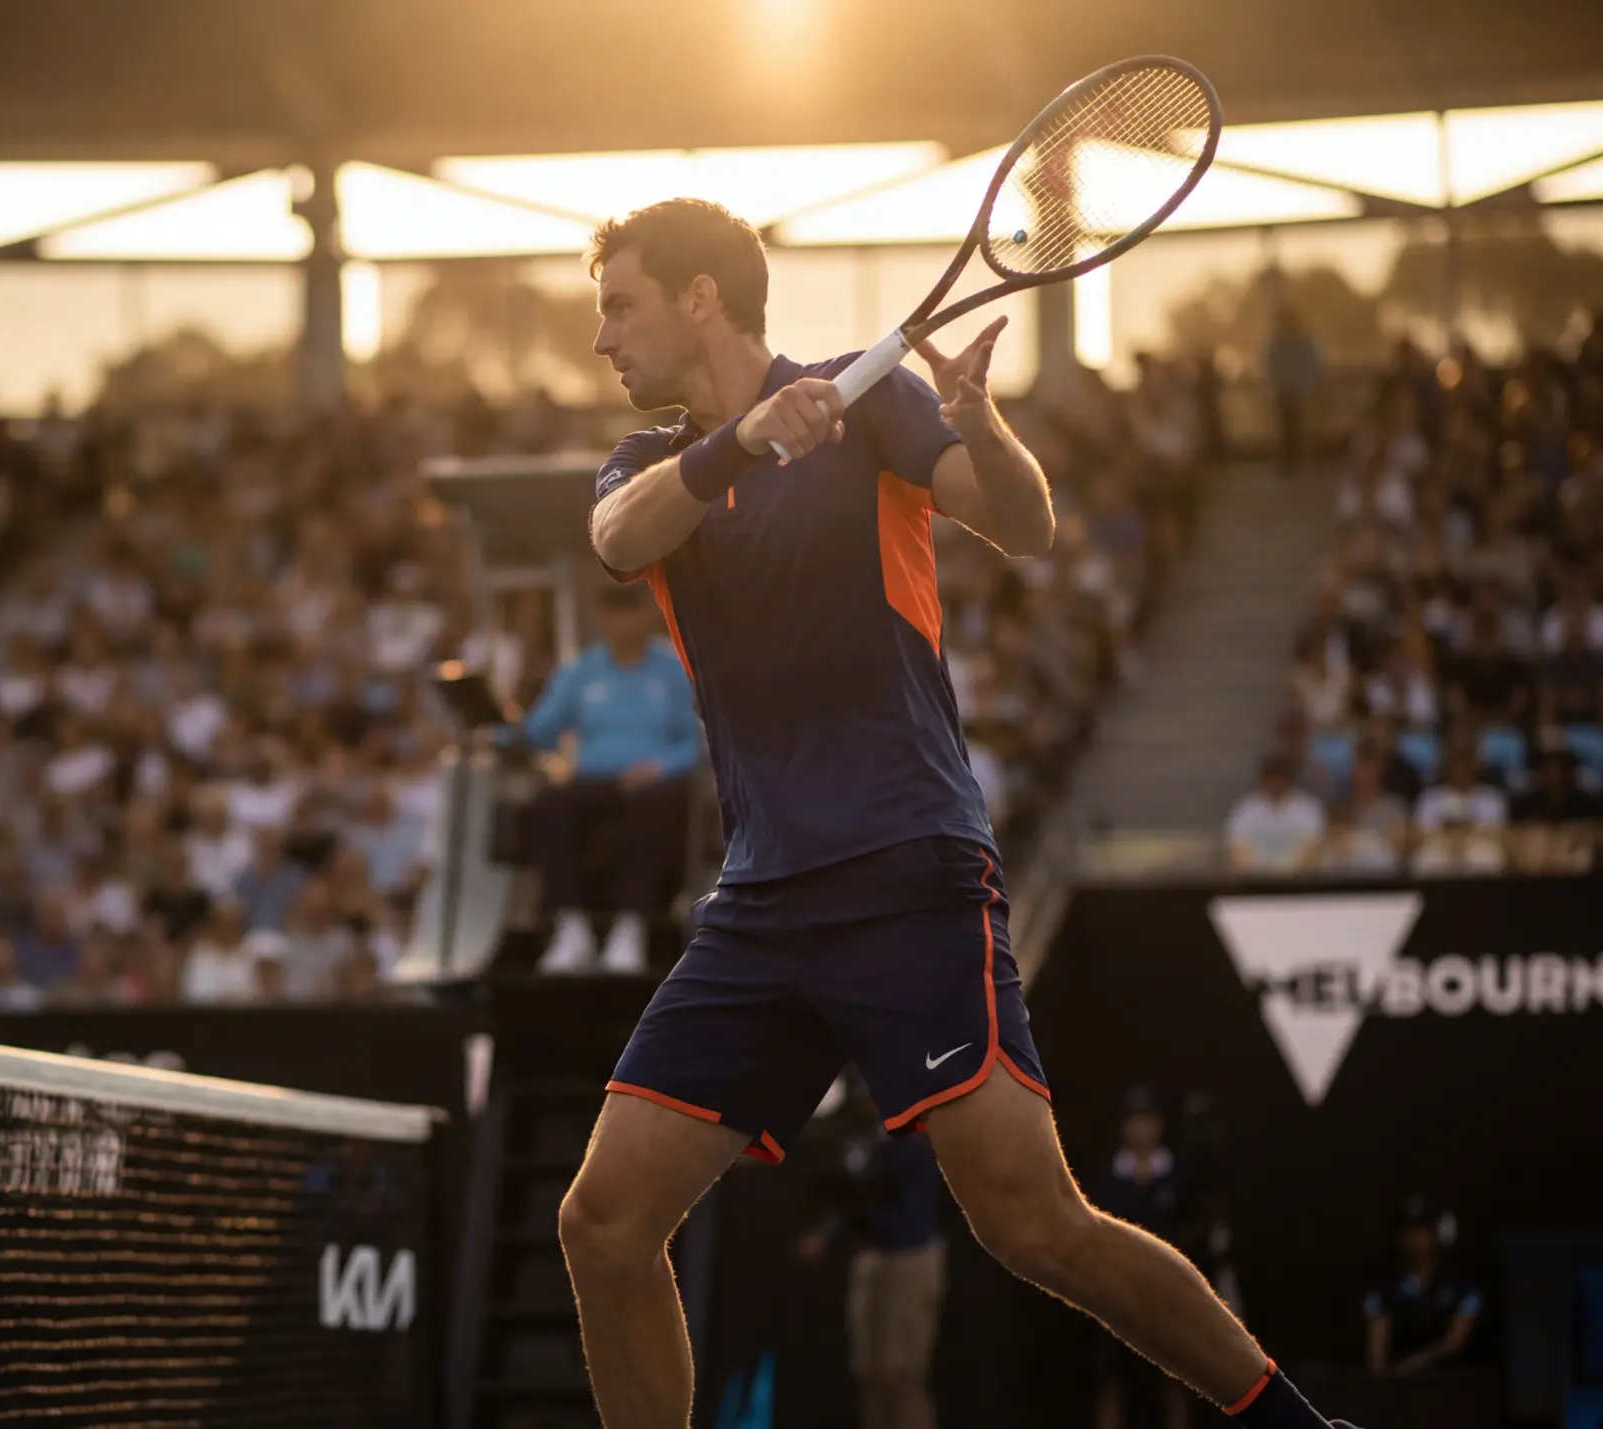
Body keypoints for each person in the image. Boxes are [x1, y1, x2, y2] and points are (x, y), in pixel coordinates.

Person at [556, 198, 1352, 1429]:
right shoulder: (646, 469)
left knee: (1035, 1225)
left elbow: (1020, 521)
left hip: (904, 870)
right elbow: (617, 538)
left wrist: (982, 419)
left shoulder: (865, 401)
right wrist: (744, 440)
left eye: (620, 305)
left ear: (701, 296)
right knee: (601, 1223)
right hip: (762, 904)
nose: (603, 337)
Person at [523, 582, 700, 975]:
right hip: (592, 781)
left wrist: (660, 767)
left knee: (654, 804)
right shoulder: (582, 672)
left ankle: (631, 927)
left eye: (631, 609)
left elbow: (696, 741)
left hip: (652, 782)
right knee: (549, 803)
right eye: (615, 611)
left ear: (647, 614)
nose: (623, 621)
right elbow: (539, 731)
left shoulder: (671, 672)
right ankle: (571, 927)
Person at [797, 1076, 946, 1429]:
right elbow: (856, 1202)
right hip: (874, 1257)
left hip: (909, 1257)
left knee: (902, 1374)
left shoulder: (912, 1144)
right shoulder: (866, 1145)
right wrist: (827, 1236)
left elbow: (883, 1197)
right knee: (870, 1373)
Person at [1089, 1089, 1194, 1429]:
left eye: (1147, 1120)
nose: (1140, 1129)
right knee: (1113, 1382)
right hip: (1119, 1294)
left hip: (1169, 1295)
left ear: (1159, 1125)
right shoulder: (1108, 1180)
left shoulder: (1179, 1177)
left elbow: (1194, 1231)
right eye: (1134, 1121)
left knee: (1175, 1381)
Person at [1362, 1197, 1480, 1377]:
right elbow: (1376, 1356)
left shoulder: (1462, 1287)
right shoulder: (1383, 1292)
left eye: (1423, 1230)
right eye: (1409, 1231)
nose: (1415, 1238)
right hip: (1400, 1388)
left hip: (1454, 1385)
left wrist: (1417, 1363)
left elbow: (1456, 1342)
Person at [1223, 757, 1327, 874]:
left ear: (1289, 780)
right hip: (1255, 880)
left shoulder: (1308, 807)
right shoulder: (1245, 809)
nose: (1276, 784)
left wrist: (1289, 868)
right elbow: (1236, 849)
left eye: (1280, 779)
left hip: (1298, 879)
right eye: (1271, 779)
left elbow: (1314, 847)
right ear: (1263, 780)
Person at [1264, 303, 1324, 477]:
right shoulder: (1274, 343)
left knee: (1302, 428)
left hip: (1303, 393)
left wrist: (1309, 389)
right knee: (1285, 428)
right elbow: (1269, 369)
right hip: (1283, 393)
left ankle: (1302, 461)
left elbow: (1315, 367)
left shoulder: (1306, 342)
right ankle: (1287, 462)